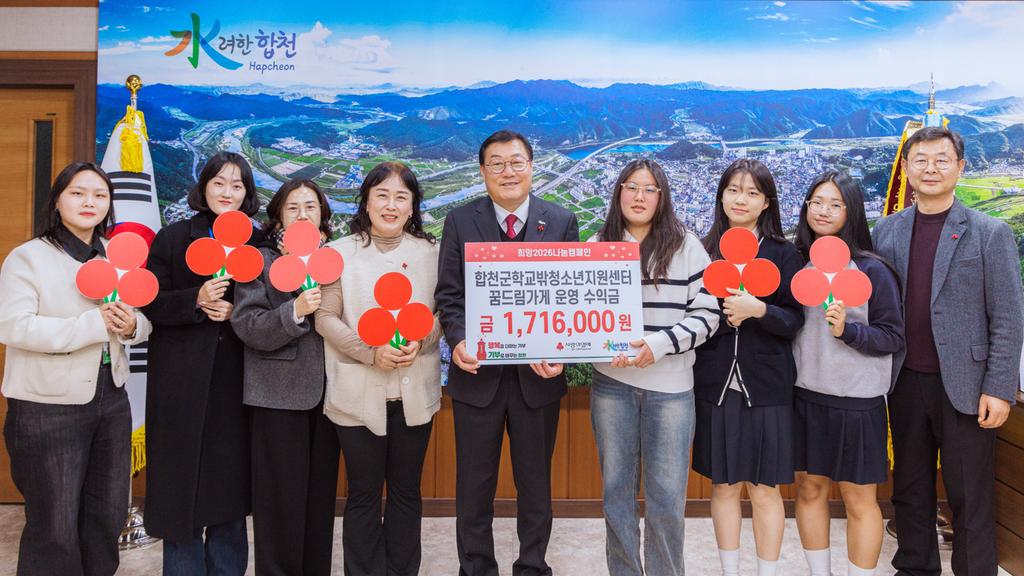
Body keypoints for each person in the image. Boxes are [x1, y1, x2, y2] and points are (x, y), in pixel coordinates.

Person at [872, 127, 1024, 576]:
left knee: (969, 494)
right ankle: (915, 568)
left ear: (960, 167)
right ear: (906, 168)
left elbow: (1008, 317)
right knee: (909, 489)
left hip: (968, 386)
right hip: (904, 382)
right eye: (920, 160)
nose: (931, 168)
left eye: (942, 159)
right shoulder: (888, 230)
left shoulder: (990, 233)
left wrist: (999, 387)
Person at [435, 130, 579, 576]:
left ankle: (532, 566)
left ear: (531, 167)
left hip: (538, 379)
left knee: (535, 486)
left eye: (516, 162)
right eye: (496, 163)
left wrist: (560, 349)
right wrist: (459, 339)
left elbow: (569, 299)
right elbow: (449, 295)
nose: (507, 171)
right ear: (482, 172)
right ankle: (476, 568)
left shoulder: (561, 221)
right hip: (477, 376)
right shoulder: (460, 220)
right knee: (473, 488)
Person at [0, 162, 151, 576]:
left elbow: (141, 319)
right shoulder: (28, 258)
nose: (90, 202)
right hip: (47, 407)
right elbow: (12, 326)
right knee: (55, 525)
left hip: (111, 399)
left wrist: (132, 326)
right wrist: (92, 324)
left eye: (100, 195)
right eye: (78, 193)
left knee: (106, 515)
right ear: (57, 200)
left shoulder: (117, 256)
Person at [590, 159, 719, 576]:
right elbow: (578, 318)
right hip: (611, 384)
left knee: (666, 498)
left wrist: (659, 345)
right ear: (618, 193)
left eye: (649, 189)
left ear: (662, 197)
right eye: (631, 187)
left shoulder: (687, 246)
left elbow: (708, 315)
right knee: (616, 494)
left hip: (671, 390)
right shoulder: (598, 245)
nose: (639, 196)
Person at [315, 162, 441, 576]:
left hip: (415, 391)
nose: (391, 205)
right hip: (355, 394)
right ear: (366, 202)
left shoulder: (432, 253)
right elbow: (326, 318)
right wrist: (371, 353)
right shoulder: (337, 253)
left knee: (406, 492)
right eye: (382, 195)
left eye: (401, 197)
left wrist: (422, 340)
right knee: (363, 494)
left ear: (412, 206)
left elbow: (444, 312)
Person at [143, 151, 262, 575]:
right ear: (204, 187)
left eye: (237, 185)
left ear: (247, 193)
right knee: (180, 492)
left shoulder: (258, 243)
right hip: (180, 383)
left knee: (228, 489)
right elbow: (150, 301)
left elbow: (268, 307)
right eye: (219, 183)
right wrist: (195, 298)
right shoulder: (173, 238)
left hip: (236, 383)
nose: (227, 192)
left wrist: (236, 311)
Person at [692, 159, 803, 576]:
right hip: (715, 383)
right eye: (734, 190)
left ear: (766, 202)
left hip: (768, 387)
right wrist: (727, 317)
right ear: (721, 196)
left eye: (753, 192)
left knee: (764, 488)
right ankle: (730, 571)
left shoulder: (783, 254)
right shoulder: (702, 251)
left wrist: (760, 310)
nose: (742, 199)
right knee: (723, 485)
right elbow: (690, 316)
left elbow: (795, 321)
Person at [792, 171, 905, 576]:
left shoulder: (872, 270)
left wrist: (849, 331)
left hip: (858, 404)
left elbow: (892, 336)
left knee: (859, 500)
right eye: (817, 202)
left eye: (835, 204)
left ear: (851, 210)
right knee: (809, 491)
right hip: (805, 398)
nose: (823, 211)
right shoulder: (797, 263)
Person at [231, 178, 340, 576]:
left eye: (311, 206)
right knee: (279, 504)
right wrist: (294, 311)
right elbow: (247, 325)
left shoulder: (335, 260)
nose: (303, 214)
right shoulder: (259, 261)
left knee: (319, 503)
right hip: (276, 396)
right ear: (278, 216)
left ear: (323, 215)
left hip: (330, 397)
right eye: (293, 207)